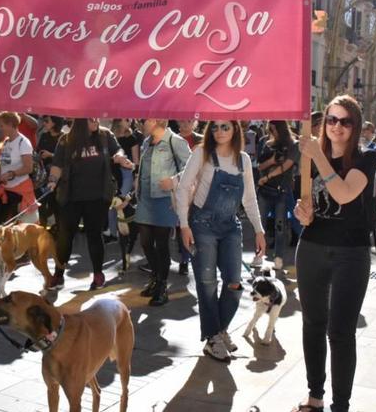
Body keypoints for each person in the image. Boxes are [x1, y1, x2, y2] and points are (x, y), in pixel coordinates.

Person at [293, 95, 376, 412]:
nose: (337, 126)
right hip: (312, 247)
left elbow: (343, 193)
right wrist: (301, 212)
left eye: (345, 121)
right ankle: (315, 394)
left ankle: (340, 405)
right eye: (332, 119)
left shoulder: (365, 158)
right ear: (324, 121)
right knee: (313, 324)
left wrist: (318, 155)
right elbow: (305, 204)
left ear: (355, 126)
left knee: (341, 332)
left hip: (350, 254)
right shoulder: (309, 159)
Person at [176, 120, 266, 363]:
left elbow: (249, 198)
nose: (219, 132)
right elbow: (183, 189)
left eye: (225, 127)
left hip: (230, 226)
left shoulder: (244, 159)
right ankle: (213, 338)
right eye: (214, 127)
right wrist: (184, 224)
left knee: (234, 283)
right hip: (201, 224)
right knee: (207, 284)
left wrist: (259, 230)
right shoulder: (201, 153)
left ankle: (218, 329)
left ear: (235, 129)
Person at [46, 118, 133, 290]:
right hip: (71, 196)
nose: (96, 121)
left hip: (98, 196)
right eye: (91, 118)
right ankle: (59, 273)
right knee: (65, 236)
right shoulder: (66, 140)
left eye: (96, 118)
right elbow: (57, 165)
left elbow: (118, 151)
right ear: (80, 121)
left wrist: (120, 158)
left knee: (95, 234)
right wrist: (52, 181)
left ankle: (98, 274)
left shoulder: (104, 135)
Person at [134, 119, 190, 305]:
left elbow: (191, 170)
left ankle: (162, 287)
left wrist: (173, 181)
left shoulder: (176, 142)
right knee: (146, 243)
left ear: (158, 120)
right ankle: (156, 278)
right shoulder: (145, 142)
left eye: (145, 119)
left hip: (165, 200)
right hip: (145, 199)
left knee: (161, 245)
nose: (141, 122)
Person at [255, 121, 299, 269]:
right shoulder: (265, 143)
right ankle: (259, 254)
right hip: (264, 190)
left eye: (275, 129)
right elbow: (260, 165)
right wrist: (272, 160)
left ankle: (278, 257)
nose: (273, 132)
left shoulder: (293, 144)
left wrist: (267, 176)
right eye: (271, 129)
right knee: (259, 225)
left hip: (282, 190)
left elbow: (287, 165)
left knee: (280, 226)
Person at [0, 111, 36, 225]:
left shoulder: (24, 142)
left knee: (14, 227)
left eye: (2, 125)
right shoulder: (5, 142)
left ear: (11, 124)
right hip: (5, 189)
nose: (0, 128)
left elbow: (28, 168)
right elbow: (2, 164)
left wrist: (11, 174)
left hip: (19, 192)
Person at [109, 119, 140, 239]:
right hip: (113, 174)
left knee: (121, 201)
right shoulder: (110, 137)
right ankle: (112, 232)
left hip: (127, 173)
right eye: (126, 119)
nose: (129, 121)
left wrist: (135, 177)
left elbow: (136, 161)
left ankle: (127, 231)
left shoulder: (132, 138)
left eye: (130, 120)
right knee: (112, 203)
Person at [36, 115, 65, 226]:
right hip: (43, 176)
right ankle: (41, 228)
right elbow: (37, 151)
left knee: (57, 205)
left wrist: (50, 155)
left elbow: (66, 157)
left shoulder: (64, 138)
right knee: (41, 203)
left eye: (47, 121)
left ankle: (58, 230)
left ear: (55, 123)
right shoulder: (44, 136)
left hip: (59, 178)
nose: (44, 123)